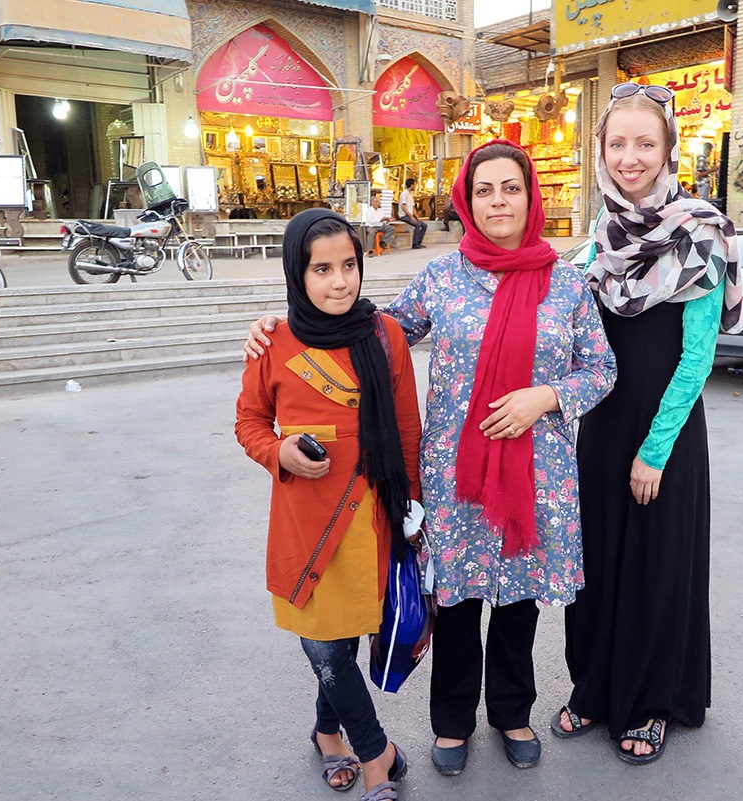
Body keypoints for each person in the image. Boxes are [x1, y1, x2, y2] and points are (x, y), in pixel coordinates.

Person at [244, 140, 617, 777]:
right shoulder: (443, 278)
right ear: (467, 203)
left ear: (531, 197)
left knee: (518, 602)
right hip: (455, 474)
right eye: (484, 190)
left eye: (510, 188)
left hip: (536, 472)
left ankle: (511, 711)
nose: (498, 201)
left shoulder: (568, 283)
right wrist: (286, 327)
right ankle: (451, 722)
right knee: (458, 602)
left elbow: (602, 368)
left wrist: (547, 396)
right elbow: (371, 332)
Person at [552, 83, 743, 766]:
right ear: (600, 152)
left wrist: (654, 451)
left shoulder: (700, 233)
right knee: (595, 566)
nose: (630, 157)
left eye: (645, 143)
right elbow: (545, 325)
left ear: (667, 150)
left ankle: (650, 701)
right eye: (617, 144)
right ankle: (595, 687)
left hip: (665, 436)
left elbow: (696, 359)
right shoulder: (594, 243)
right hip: (599, 429)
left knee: (657, 568)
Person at [235, 208, 422, 801]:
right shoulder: (274, 342)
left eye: (349, 266)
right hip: (306, 525)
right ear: (298, 273)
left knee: (340, 642)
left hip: (370, 521)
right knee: (323, 644)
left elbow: (407, 430)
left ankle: (326, 733)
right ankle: (376, 755)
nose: (340, 282)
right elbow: (248, 421)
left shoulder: (385, 335)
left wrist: (411, 511)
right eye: (322, 269)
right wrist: (279, 451)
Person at [397, 178, 427, 249]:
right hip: (404, 216)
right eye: (414, 185)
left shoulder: (410, 195)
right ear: (411, 185)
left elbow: (413, 207)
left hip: (410, 215)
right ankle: (415, 244)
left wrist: (417, 217)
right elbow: (403, 206)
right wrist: (411, 217)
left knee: (424, 225)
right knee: (417, 225)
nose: (415, 186)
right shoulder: (404, 194)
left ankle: (419, 242)